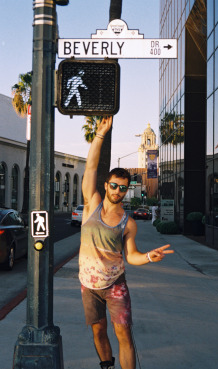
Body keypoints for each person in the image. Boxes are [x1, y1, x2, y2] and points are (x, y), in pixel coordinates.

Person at [79, 116, 174, 369]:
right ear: (106, 185)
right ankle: (106, 366)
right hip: (88, 286)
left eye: (123, 188)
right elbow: (90, 167)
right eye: (114, 186)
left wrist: (147, 257)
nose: (118, 191)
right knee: (98, 332)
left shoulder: (128, 223)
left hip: (115, 286)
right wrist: (99, 135)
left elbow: (130, 255)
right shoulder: (91, 204)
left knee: (124, 334)